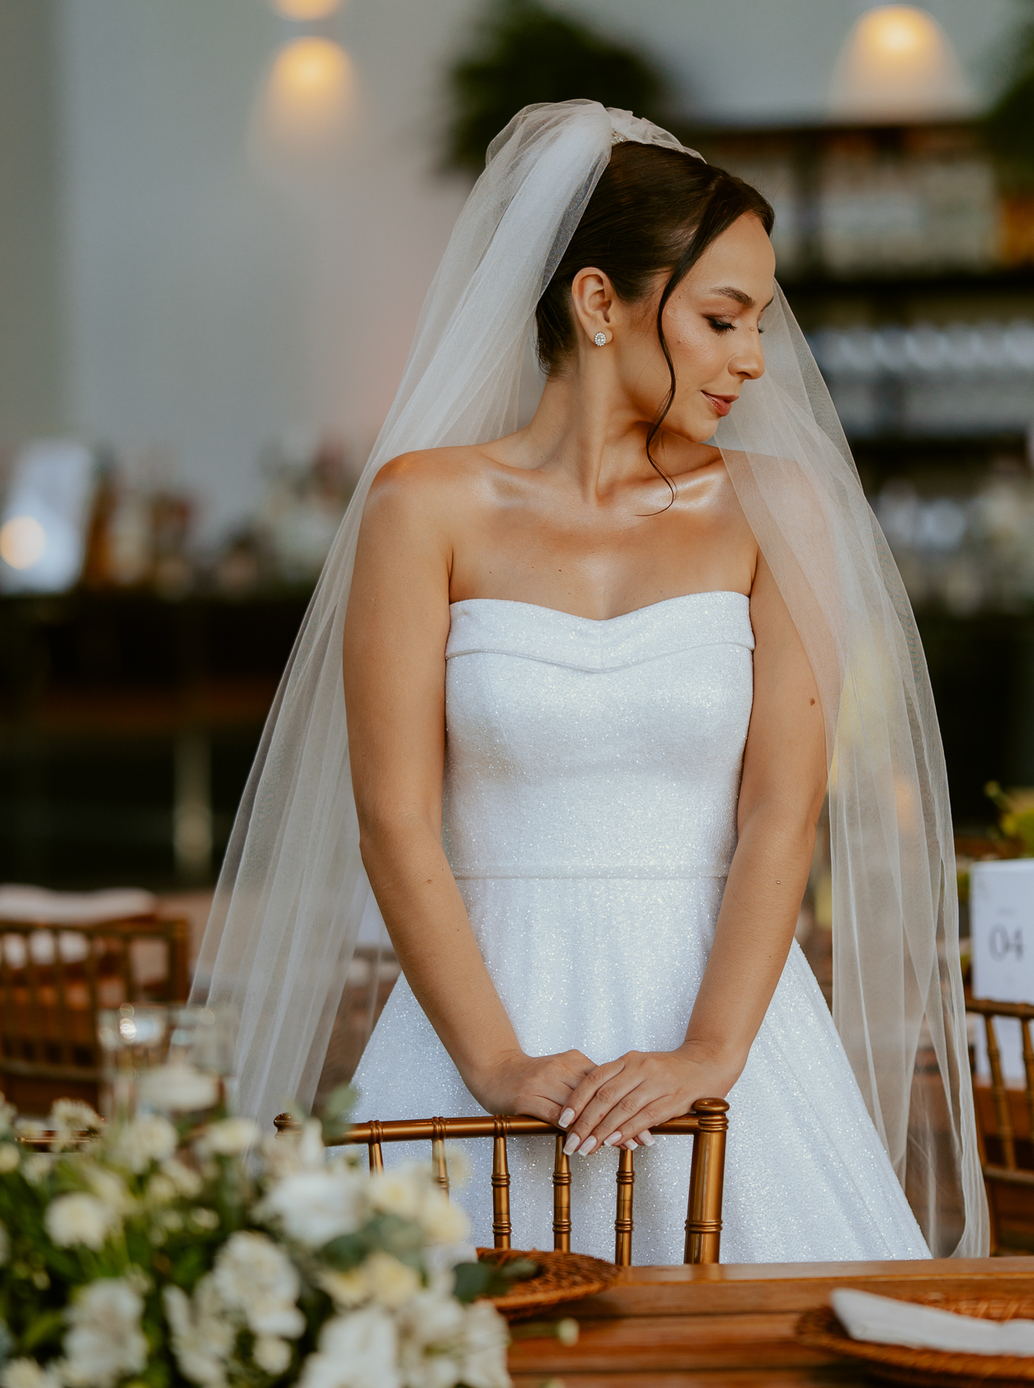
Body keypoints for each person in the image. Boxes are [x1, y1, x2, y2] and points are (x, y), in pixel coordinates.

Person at [193, 102, 987, 1264]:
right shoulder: (424, 507)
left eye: (760, 322)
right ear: (601, 303)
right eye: (722, 318)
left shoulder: (779, 507)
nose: (755, 359)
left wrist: (712, 1055)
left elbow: (781, 810)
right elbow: (394, 817)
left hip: (723, 1024)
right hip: (479, 1022)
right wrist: (494, 1063)